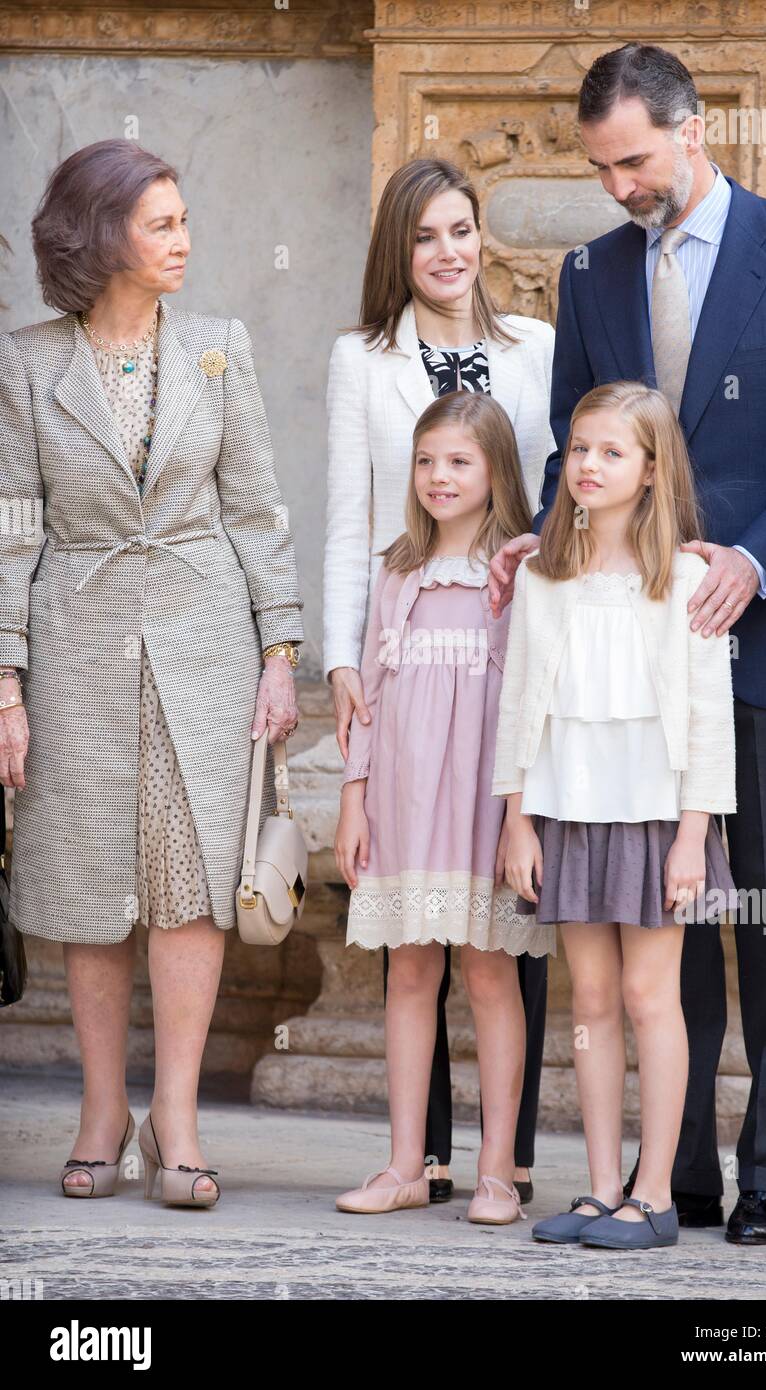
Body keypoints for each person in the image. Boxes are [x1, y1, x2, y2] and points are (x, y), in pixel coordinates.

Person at [487, 43, 766, 1244]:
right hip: (626, 666)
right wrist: (540, 536)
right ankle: (674, 1172)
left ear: (692, 130)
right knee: (666, 913)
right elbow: (571, 445)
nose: (618, 188)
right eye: (600, 167)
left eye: (634, 161)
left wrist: (752, 561)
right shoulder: (591, 274)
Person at [0, 140, 303, 1207]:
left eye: (183, 219)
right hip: (74, 645)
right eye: (160, 224)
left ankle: (175, 1114)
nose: (184, 240)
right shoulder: (29, 362)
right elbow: (9, 528)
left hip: (204, 642)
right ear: (100, 236)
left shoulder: (219, 346)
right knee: (90, 889)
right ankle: (98, 1111)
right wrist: (5, 681)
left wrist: (280, 652)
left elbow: (257, 509)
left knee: (186, 886)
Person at [324, 157, 555, 1202]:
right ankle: (412, 1156)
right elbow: (346, 523)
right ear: (398, 251)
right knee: (410, 955)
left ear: (481, 240)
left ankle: (504, 1164)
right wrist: (339, 663)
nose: (446, 251)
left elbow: (559, 502)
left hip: (499, 665)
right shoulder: (360, 360)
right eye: (423, 236)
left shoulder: (533, 350)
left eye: (460, 230)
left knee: (495, 957)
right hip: (400, 663)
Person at [494, 381, 736, 1249]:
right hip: (567, 811)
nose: (588, 465)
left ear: (651, 469)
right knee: (589, 995)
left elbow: (709, 726)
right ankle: (599, 1189)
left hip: (655, 820)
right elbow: (520, 704)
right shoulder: (541, 575)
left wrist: (692, 841)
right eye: (581, 449)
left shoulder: (689, 579)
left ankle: (658, 1194)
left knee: (646, 996)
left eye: (612, 452)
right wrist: (517, 819)